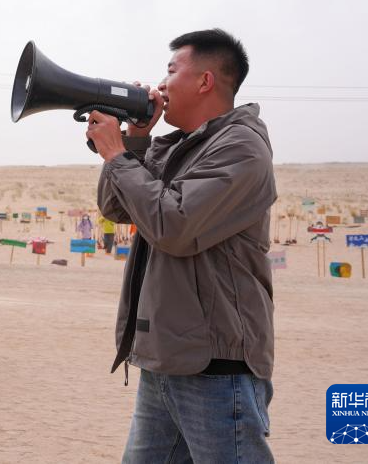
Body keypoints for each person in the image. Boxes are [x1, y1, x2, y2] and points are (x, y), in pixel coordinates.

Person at [87, 29, 275, 462]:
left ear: (205, 81)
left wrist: (117, 156)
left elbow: (174, 225)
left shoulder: (241, 148)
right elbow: (116, 208)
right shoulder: (177, 147)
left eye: (172, 71)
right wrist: (133, 140)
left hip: (215, 367)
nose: (162, 84)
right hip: (167, 359)